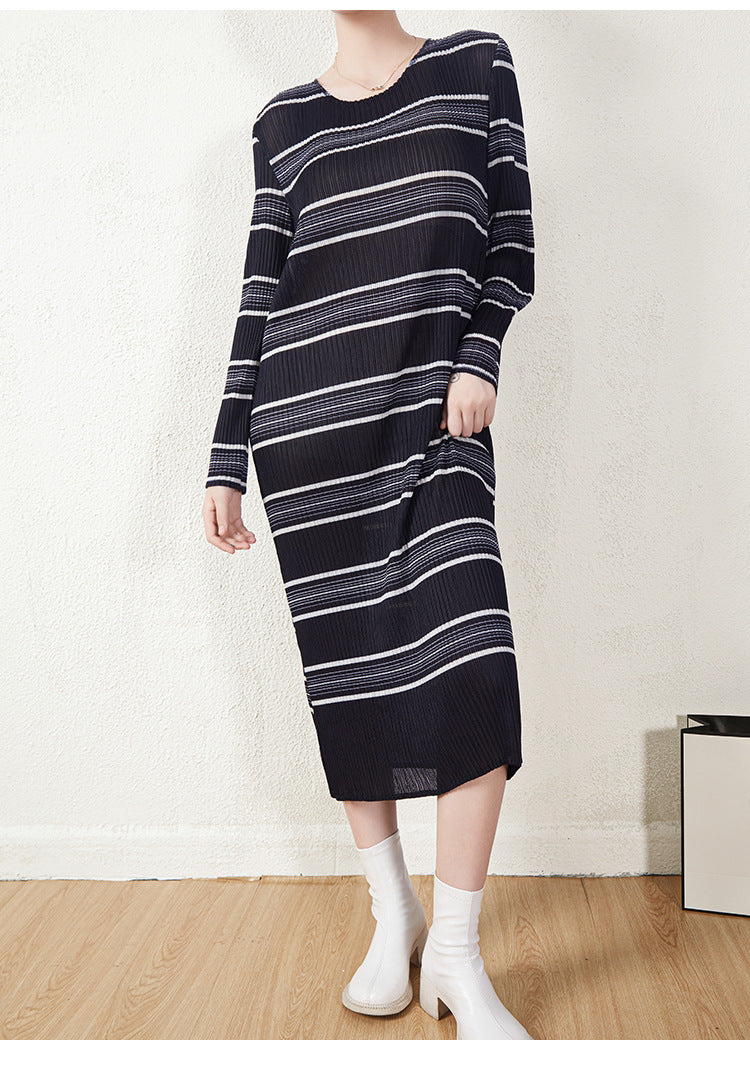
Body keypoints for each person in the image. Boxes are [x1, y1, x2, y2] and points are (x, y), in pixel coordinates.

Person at [202, 9, 535, 1040]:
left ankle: (458, 955)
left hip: (435, 421)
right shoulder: (281, 124)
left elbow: (513, 239)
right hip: (311, 442)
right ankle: (395, 919)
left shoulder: (476, 64)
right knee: (356, 692)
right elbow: (261, 292)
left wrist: (480, 353)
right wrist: (225, 455)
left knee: (472, 670)